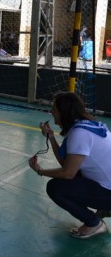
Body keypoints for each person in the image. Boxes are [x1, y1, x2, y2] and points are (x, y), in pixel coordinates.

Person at [28, 92, 111, 239]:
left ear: (64, 113)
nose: (51, 112)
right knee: (72, 176)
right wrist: (51, 137)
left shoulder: (79, 134)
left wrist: (40, 171)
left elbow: (68, 173)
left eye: (54, 109)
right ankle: (104, 207)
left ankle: (94, 223)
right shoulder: (86, 125)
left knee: (55, 188)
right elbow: (67, 162)